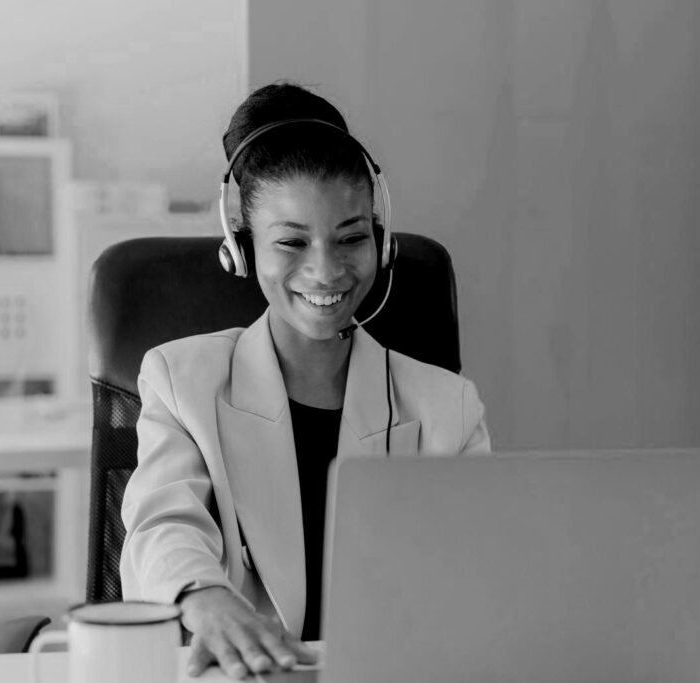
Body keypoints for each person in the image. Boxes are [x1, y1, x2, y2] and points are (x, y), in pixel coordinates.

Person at [120, 82, 491, 680]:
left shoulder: (448, 407)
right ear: (242, 250)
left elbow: (483, 568)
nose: (326, 269)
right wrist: (204, 597)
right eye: (292, 241)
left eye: (351, 238)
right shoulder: (181, 381)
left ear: (383, 242)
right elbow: (162, 524)